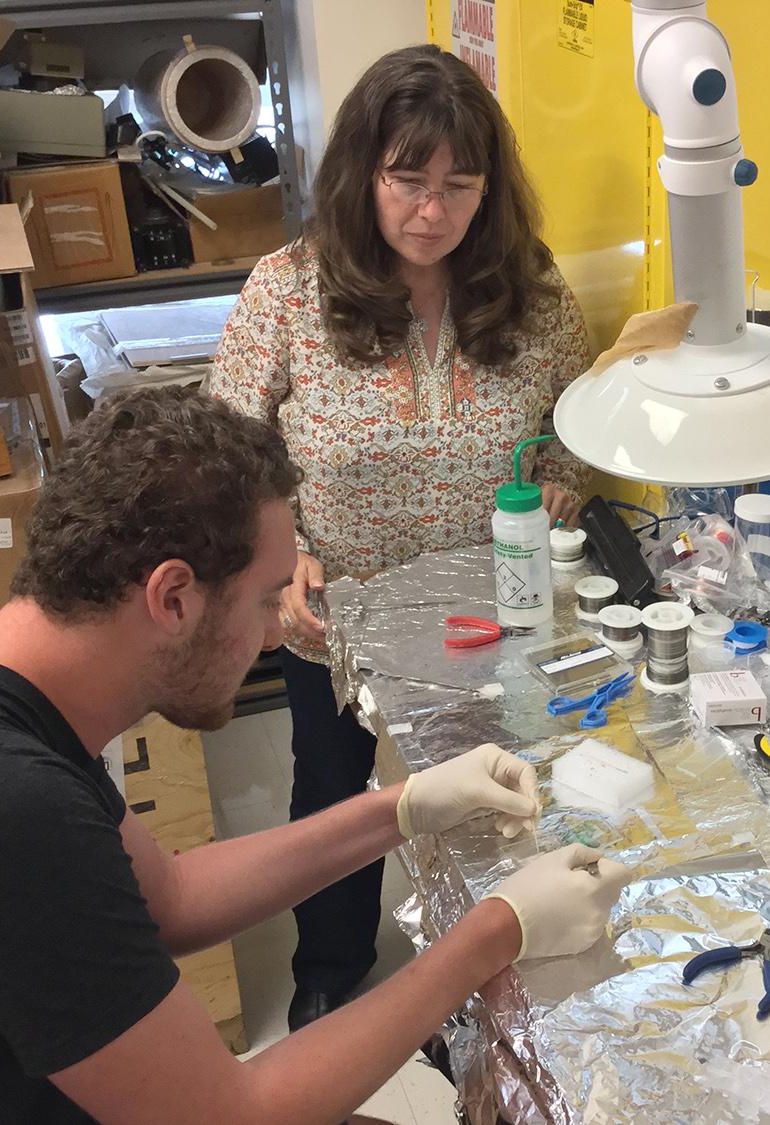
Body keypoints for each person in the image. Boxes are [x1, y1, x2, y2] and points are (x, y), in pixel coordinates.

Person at [0, 387, 629, 1124]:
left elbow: (172, 899)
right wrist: (497, 929)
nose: (276, 635)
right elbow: (235, 1112)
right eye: (267, 600)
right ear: (173, 595)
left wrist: (402, 805)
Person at [213, 43, 593, 1031]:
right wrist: (277, 548)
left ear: (489, 192)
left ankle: (479, 983)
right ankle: (329, 968)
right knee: (335, 803)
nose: (432, 212)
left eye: (458, 187)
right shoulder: (288, 293)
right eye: (407, 182)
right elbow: (226, 453)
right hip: (332, 614)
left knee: (484, 799)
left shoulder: (535, 296)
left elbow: (575, 430)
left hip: (484, 614)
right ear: (363, 178)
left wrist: (557, 490)